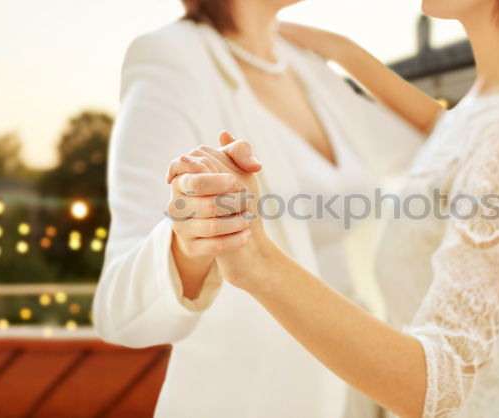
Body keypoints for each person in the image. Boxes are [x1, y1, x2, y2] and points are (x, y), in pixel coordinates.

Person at [165, 0, 499, 416]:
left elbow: (442, 382)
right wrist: (343, 52)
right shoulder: (490, 113)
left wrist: (256, 259)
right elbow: (445, 129)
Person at [91, 0, 432, 417]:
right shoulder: (171, 57)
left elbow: (449, 150)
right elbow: (118, 308)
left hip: (364, 388)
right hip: (263, 400)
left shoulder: (305, 66)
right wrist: (191, 241)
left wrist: (349, 53)